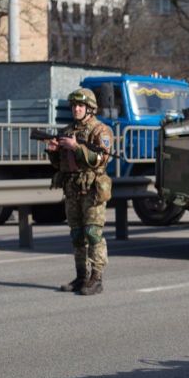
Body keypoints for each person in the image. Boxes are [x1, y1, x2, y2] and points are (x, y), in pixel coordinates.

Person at [45, 88, 113, 295]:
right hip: (72, 188)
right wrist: (53, 152)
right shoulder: (67, 131)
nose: (76, 109)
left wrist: (76, 147)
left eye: (80, 106)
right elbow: (61, 165)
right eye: (74, 106)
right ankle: (81, 276)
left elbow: (100, 159)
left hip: (92, 189)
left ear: (90, 109)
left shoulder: (100, 131)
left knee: (93, 233)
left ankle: (97, 278)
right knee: (76, 235)